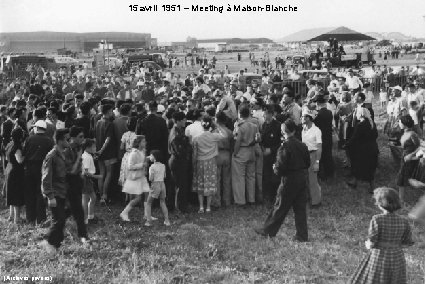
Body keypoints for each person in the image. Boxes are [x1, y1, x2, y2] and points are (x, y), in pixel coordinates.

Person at [254, 119, 310, 241]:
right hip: (301, 177)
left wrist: (275, 168)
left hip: (289, 179)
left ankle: (268, 230)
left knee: (280, 205)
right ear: (294, 130)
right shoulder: (302, 145)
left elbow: (280, 167)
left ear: (282, 131)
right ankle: (302, 235)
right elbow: (307, 162)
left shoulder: (284, 147)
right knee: (300, 208)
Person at [349, 187, 414, 284]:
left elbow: (371, 243)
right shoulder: (404, 221)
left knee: (376, 279)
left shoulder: (377, 219)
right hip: (397, 258)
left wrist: (367, 244)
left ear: (380, 204)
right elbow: (407, 243)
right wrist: (394, 246)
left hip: (379, 257)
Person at [41, 129, 89, 255]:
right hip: (55, 192)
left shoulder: (61, 154)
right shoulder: (52, 156)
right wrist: (50, 196)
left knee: (60, 219)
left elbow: (69, 171)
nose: (69, 141)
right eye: (67, 139)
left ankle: (54, 244)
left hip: (63, 191)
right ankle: (50, 243)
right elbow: (46, 178)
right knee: (60, 219)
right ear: (60, 140)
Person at [23, 119, 54, 225]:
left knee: (29, 193)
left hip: (29, 168)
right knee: (40, 193)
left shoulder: (29, 139)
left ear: (36, 128)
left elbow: (24, 154)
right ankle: (41, 219)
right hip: (42, 169)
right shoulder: (49, 141)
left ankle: (30, 218)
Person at [192, 115, 225, 213]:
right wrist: (217, 126)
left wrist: (194, 163)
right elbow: (225, 135)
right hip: (211, 161)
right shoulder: (214, 136)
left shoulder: (196, 137)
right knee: (209, 183)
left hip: (200, 161)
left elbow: (194, 153)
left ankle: (201, 206)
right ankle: (208, 207)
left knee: (200, 184)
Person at [345, 108, 379, 192]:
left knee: (358, 165)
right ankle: (367, 185)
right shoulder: (372, 123)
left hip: (363, 149)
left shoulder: (360, 125)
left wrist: (346, 144)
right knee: (370, 167)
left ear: (361, 115)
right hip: (373, 148)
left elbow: (354, 138)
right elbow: (376, 135)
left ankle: (358, 183)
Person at [119, 135, 150, 222]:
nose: (145, 143)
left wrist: (148, 158)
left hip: (141, 176)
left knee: (148, 193)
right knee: (137, 198)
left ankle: (147, 214)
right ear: (138, 143)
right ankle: (124, 212)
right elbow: (130, 166)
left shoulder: (142, 151)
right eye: (143, 141)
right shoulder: (133, 153)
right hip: (135, 177)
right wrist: (142, 165)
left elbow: (142, 159)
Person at [232, 106, 258, 206]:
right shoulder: (254, 126)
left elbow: (238, 141)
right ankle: (251, 199)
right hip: (251, 150)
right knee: (251, 176)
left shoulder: (240, 126)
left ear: (240, 114)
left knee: (239, 177)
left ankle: (240, 200)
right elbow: (257, 139)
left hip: (242, 150)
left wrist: (235, 152)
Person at [168, 111, 192, 212]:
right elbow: (179, 150)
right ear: (178, 121)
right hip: (178, 160)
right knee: (179, 184)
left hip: (178, 160)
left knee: (181, 184)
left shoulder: (178, 130)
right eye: (183, 120)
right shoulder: (175, 133)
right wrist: (189, 145)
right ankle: (179, 207)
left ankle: (179, 205)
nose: (185, 121)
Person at [95, 103, 118, 204]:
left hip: (99, 152)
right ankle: (104, 195)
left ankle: (100, 196)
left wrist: (98, 151)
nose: (113, 112)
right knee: (108, 173)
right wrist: (102, 150)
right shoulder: (110, 123)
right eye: (112, 110)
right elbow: (108, 139)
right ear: (108, 111)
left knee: (101, 174)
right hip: (108, 153)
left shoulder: (98, 122)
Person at [396, 115, 421, 204]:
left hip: (410, 159)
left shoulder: (412, 134)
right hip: (405, 157)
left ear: (404, 124)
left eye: (399, 122)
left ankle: (401, 200)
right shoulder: (405, 132)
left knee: (402, 178)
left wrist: (411, 155)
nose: (399, 123)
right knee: (403, 178)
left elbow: (420, 147)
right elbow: (406, 145)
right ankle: (401, 199)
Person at [301, 108, 322, 207]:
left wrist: (317, 162)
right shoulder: (303, 129)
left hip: (313, 154)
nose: (302, 118)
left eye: (303, 116)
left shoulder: (316, 130)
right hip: (304, 154)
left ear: (309, 118)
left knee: (312, 179)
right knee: (305, 178)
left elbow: (319, 147)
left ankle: (316, 201)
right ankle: (307, 197)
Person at [213, 111, 233, 207]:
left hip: (217, 154)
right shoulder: (229, 132)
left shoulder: (214, 131)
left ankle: (217, 201)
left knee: (217, 179)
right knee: (227, 179)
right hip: (227, 154)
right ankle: (227, 200)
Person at [145, 150, 170, 227]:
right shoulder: (163, 165)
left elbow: (150, 178)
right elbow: (164, 176)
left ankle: (148, 221)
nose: (149, 157)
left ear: (154, 158)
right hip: (162, 184)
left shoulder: (152, 167)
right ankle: (167, 220)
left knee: (148, 203)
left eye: (151, 155)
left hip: (155, 184)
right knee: (162, 202)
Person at [6, 127, 25, 224]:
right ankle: (17, 219)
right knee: (17, 195)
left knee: (11, 194)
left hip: (10, 169)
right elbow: (20, 160)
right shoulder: (17, 146)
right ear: (20, 137)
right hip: (17, 172)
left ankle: (11, 216)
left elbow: (7, 157)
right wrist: (26, 155)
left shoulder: (9, 144)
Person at [81, 139, 102, 225]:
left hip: (86, 180)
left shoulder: (87, 155)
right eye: (94, 146)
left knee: (90, 198)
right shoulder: (86, 157)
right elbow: (86, 172)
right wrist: (96, 177)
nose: (95, 148)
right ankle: (87, 219)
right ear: (88, 148)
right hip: (85, 180)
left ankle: (89, 217)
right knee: (89, 199)